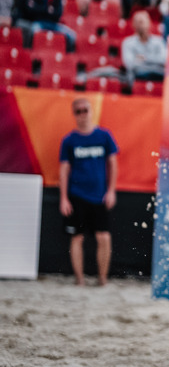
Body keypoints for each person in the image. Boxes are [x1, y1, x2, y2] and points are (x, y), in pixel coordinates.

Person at [59, 98, 119, 286]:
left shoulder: (104, 136)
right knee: (77, 237)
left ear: (91, 111)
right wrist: (63, 199)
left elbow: (113, 163)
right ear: (74, 115)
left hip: (100, 196)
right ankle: (80, 280)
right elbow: (63, 169)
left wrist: (111, 191)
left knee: (104, 237)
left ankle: (102, 279)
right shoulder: (69, 141)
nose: (83, 114)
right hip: (77, 195)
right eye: (78, 111)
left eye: (85, 110)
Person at [120, 11, 167, 83]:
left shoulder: (159, 41)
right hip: (137, 78)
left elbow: (164, 60)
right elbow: (130, 64)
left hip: (158, 75)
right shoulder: (127, 43)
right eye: (137, 22)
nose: (140, 25)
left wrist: (144, 58)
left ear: (149, 23)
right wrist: (154, 62)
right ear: (133, 25)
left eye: (142, 22)